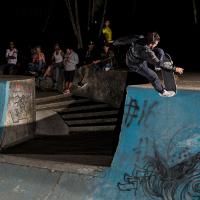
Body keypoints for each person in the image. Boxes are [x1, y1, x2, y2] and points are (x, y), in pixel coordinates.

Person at [125, 32, 184, 97]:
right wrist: (175, 69)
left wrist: (115, 42)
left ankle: (157, 65)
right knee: (153, 76)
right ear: (151, 43)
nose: (156, 45)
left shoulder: (140, 38)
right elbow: (158, 62)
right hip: (136, 65)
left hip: (133, 57)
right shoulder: (148, 52)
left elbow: (125, 40)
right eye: (156, 44)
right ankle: (162, 92)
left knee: (160, 51)